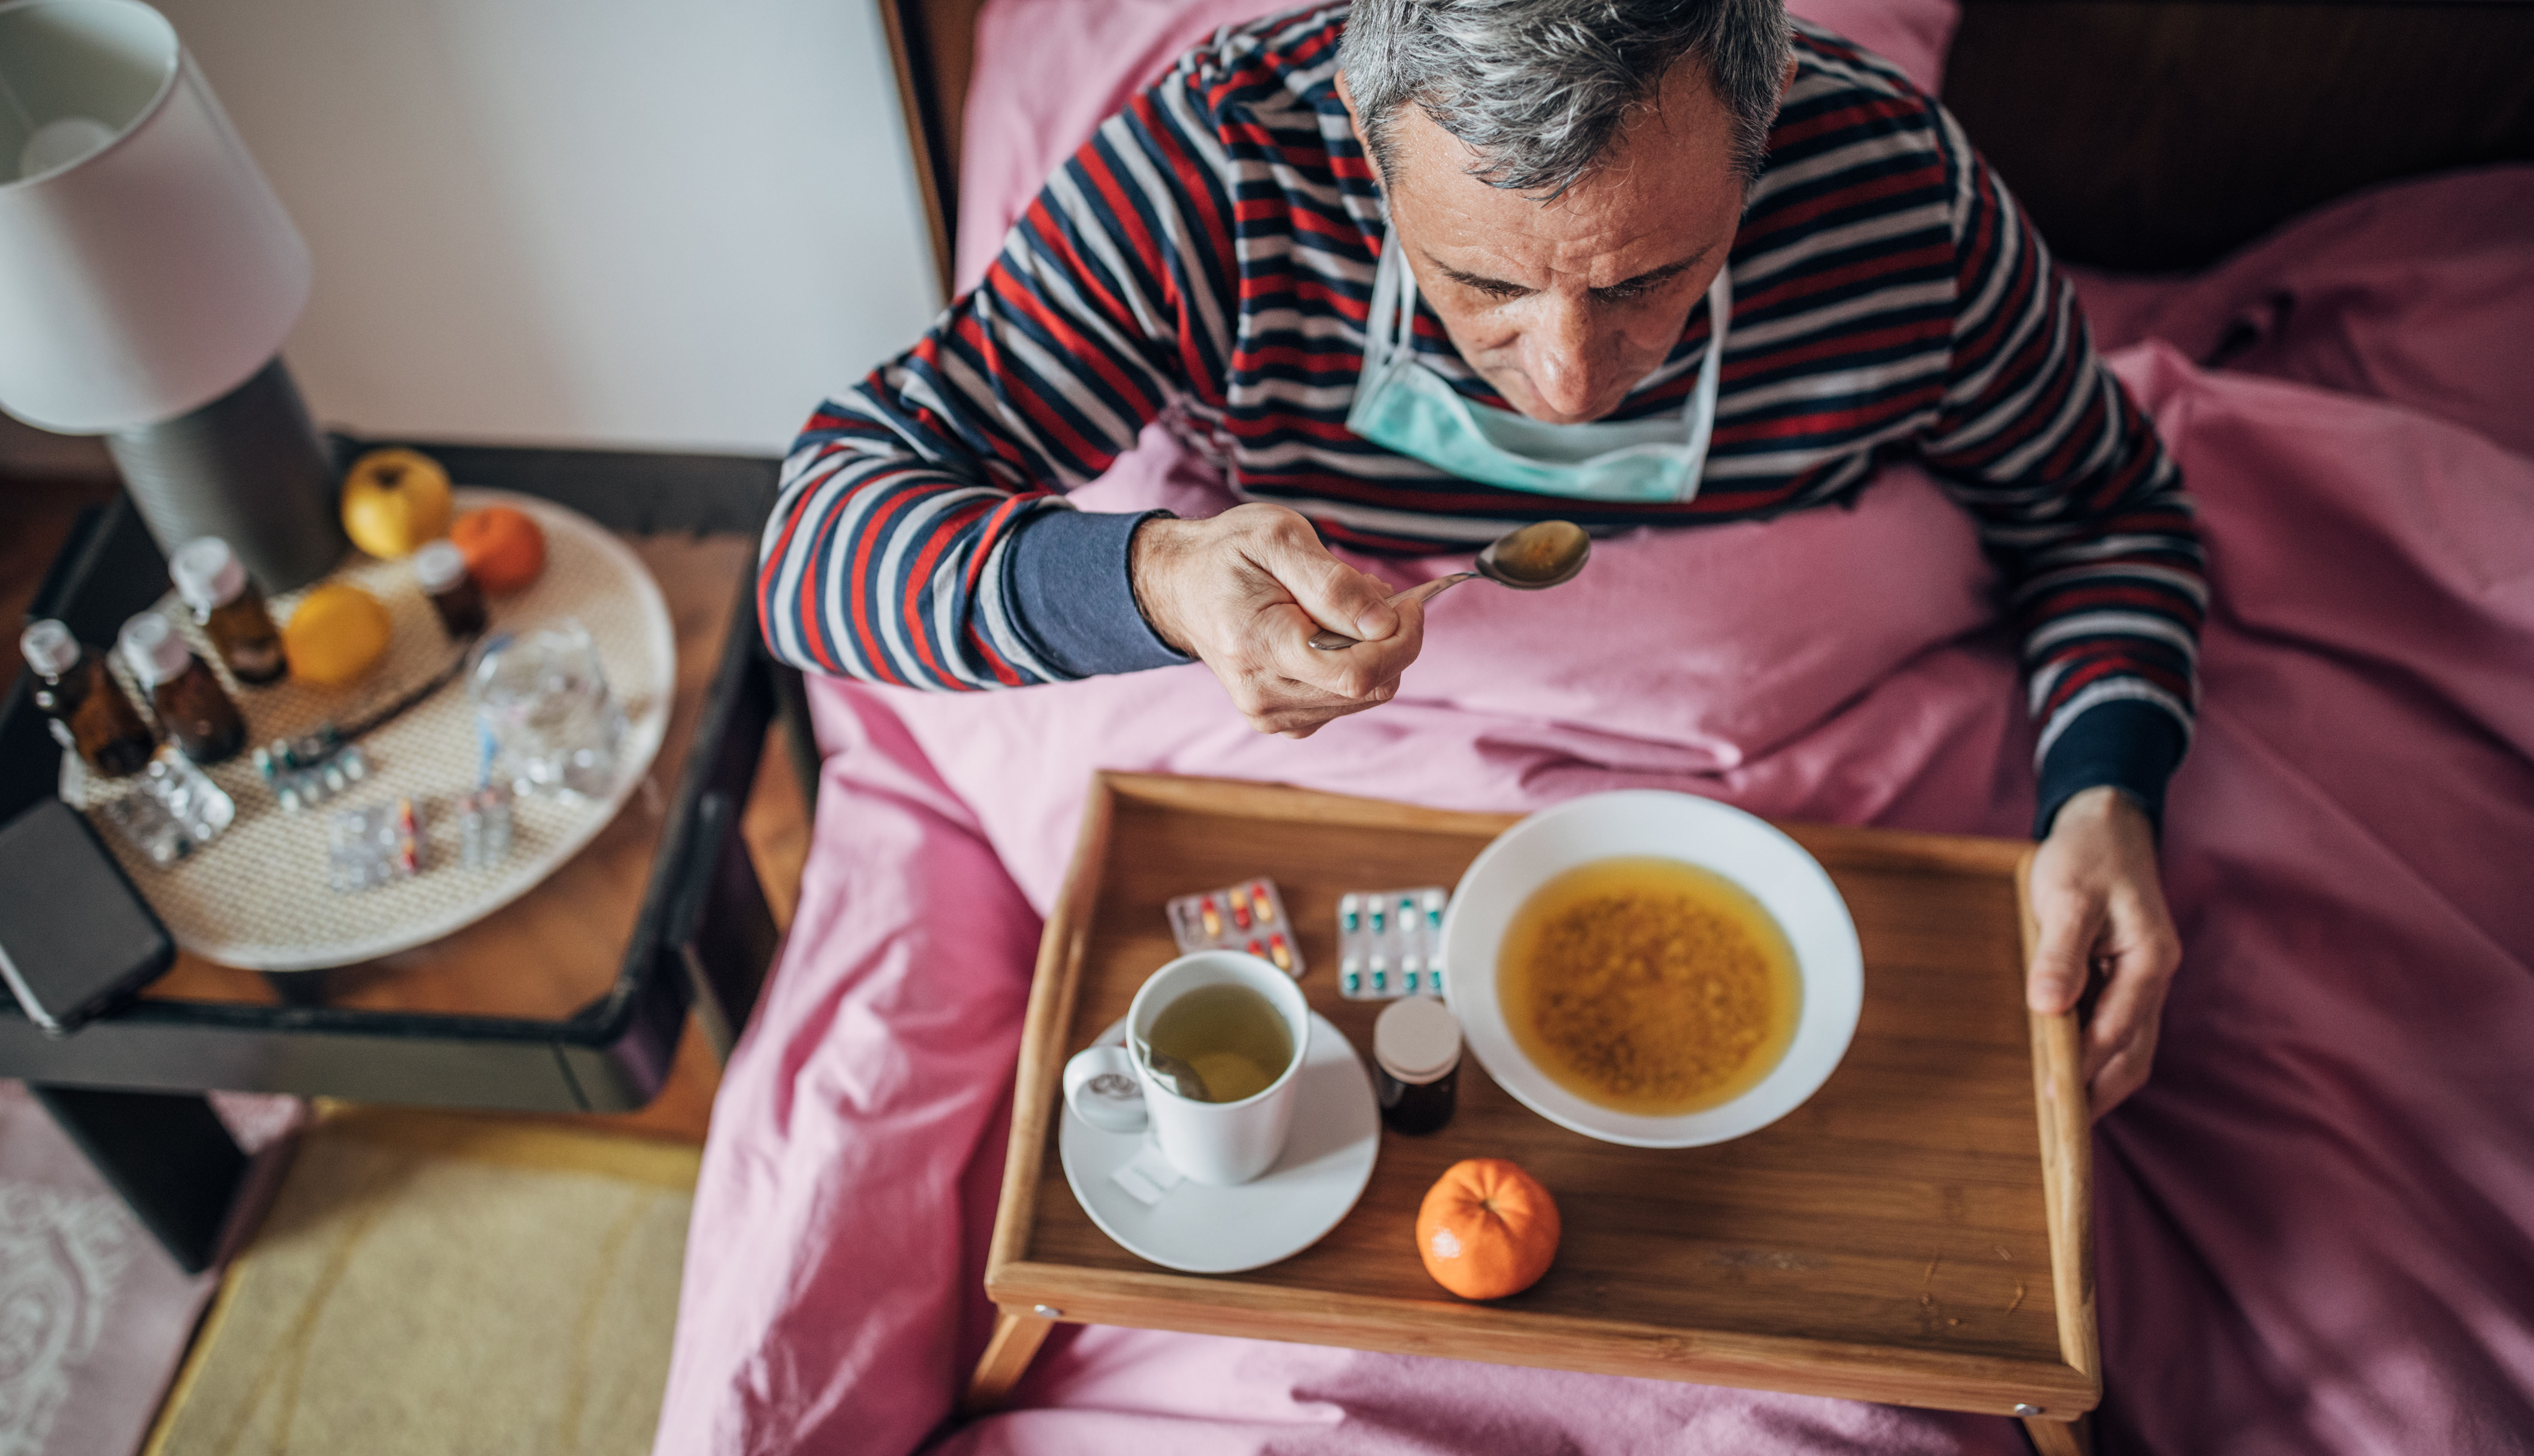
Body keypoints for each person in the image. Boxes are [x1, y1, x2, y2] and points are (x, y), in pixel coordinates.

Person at [756, 0, 2200, 1113]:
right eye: (1485, 283)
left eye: (1647, 280)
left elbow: (2106, 513)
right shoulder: (1219, 174)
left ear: (1768, 131)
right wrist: (1160, 584)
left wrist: (2106, 795)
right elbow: (815, 545)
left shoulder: (1905, 210)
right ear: (1359, 124)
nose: (1569, 381)